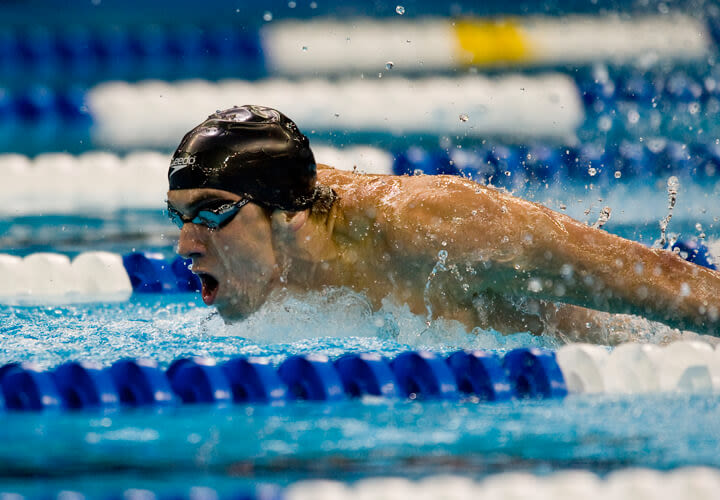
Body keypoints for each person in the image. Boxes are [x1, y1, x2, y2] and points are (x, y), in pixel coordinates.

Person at [166, 105, 720, 343]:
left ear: (287, 214)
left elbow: (656, 279)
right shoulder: (271, 246)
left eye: (210, 212)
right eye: (181, 216)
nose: (186, 245)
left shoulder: (429, 226)